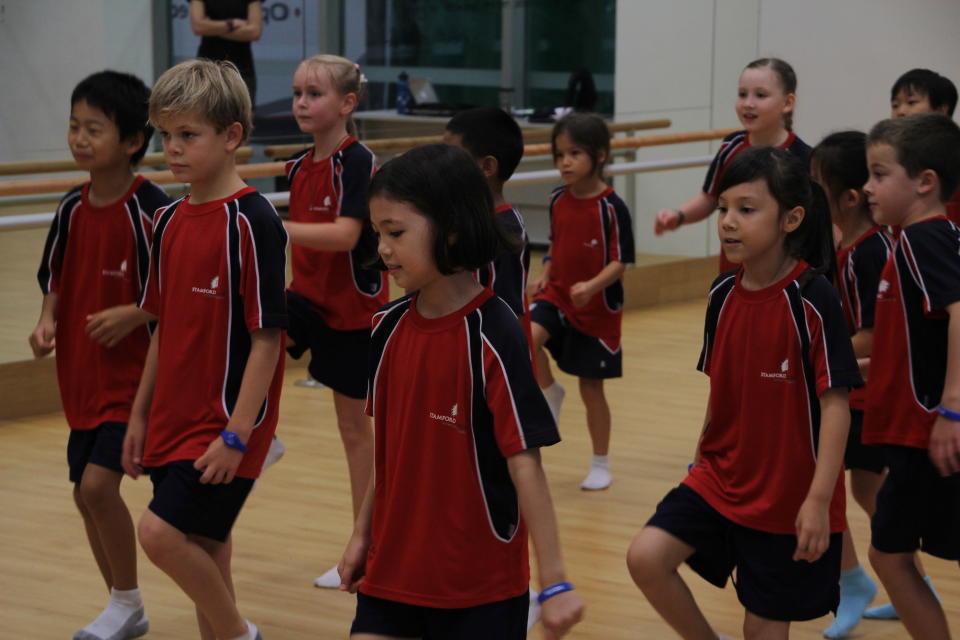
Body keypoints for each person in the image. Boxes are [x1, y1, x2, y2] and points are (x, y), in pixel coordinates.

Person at [337, 144, 584, 640]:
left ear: (450, 230)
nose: (383, 249)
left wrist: (554, 580)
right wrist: (361, 535)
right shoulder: (385, 328)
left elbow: (524, 461)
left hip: (480, 588)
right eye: (378, 233)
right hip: (391, 574)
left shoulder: (496, 333)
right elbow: (389, 452)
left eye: (397, 233)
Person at [627, 147, 862, 640]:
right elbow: (721, 392)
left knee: (764, 629)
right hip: (720, 478)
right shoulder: (720, 295)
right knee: (646, 558)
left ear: (792, 219)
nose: (728, 222)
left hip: (789, 497)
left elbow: (836, 407)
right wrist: (697, 464)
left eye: (746, 210)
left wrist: (820, 501)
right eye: (724, 209)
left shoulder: (814, 299)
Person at [122, 59, 287, 640]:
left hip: (227, 426)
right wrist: (139, 416)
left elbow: (268, 338)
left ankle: (240, 634)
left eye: (188, 135)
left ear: (231, 136)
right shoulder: (166, 220)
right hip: (171, 418)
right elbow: (163, 326)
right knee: (206, 551)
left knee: (160, 535)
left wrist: (237, 435)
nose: (173, 148)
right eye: (167, 135)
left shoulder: (255, 220)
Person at [29, 69, 170, 640]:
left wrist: (136, 313)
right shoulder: (70, 208)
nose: (79, 139)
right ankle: (124, 604)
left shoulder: (152, 210)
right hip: (82, 378)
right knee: (83, 496)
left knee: (96, 487)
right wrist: (45, 320)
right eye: (73, 126)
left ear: (134, 141)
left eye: (95, 128)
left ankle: (131, 599)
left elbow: (176, 290)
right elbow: (54, 276)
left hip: (136, 381)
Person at [280, 54, 387, 589]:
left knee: (354, 431)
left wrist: (275, 228)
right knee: (243, 333)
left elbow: (346, 235)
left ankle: (365, 546)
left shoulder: (358, 161)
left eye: (314, 94)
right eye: (297, 92)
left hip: (352, 315)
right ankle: (252, 431)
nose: (302, 102)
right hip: (306, 302)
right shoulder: (298, 167)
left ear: (347, 104)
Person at [860, 114, 960, 640]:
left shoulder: (925, 240)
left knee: (890, 554)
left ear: (924, 182)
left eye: (879, 175)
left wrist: (952, 408)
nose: (868, 188)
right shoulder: (910, 241)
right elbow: (918, 347)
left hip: (931, 437)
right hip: (917, 434)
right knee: (889, 552)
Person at [810, 131, 893, 638]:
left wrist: (819, 359)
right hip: (854, 390)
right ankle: (895, 582)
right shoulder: (847, 246)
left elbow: (871, 333)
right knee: (859, 486)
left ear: (848, 197)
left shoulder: (869, 253)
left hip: (861, 394)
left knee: (838, 488)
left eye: (817, 186)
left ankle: (860, 579)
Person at [528, 113, 634, 491]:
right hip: (557, 295)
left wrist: (592, 286)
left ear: (599, 155)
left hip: (597, 310)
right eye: (559, 155)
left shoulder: (612, 208)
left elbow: (621, 261)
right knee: (525, 337)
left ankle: (601, 462)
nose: (565, 162)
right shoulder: (557, 199)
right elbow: (556, 244)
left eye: (574, 153)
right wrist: (545, 270)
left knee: (592, 389)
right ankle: (549, 390)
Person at [654, 58, 811, 273]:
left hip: (782, 276)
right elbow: (709, 197)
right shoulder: (731, 145)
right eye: (742, 94)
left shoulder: (803, 158)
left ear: (787, 103)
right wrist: (679, 215)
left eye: (761, 95)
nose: (748, 103)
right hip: (733, 273)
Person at [442, 106, 531, 339]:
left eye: (451, 156)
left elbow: (508, 315)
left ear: (487, 167)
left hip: (487, 360)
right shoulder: (451, 218)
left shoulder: (507, 230)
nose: (440, 164)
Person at [888, 68, 960, 227]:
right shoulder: (893, 157)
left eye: (911, 102)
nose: (900, 111)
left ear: (941, 109)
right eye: (895, 105)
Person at [190, 0, 262, 105]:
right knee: (203, 112)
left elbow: (254, 32)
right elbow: (198, 27)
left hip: (242, 67)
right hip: (207, 66)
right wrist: (231, 24)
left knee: (243, 115)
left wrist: (212, 29)